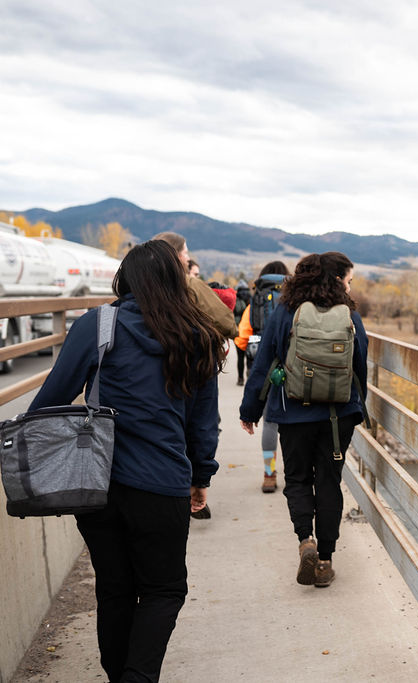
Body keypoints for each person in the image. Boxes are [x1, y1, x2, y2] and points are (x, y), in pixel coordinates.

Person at [28, 240, 223, 681]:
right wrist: (201, 474)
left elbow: (49, 402)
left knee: (115, 590)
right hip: (162, 482)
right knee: (164, 589)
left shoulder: (97, 326)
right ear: (178, 280)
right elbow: (202, 423)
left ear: (125, 279)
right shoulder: (201, 335)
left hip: (98, 484)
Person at [239, 252, 366, 588]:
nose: (349, 284)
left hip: (293, 411)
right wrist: (357, 404)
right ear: (338, 279)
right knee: (328, 481)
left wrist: (250, 410)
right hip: (337, 416)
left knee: (296, 479)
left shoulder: (285, 310)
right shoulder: (349, 313)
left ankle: (305, 540)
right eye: (348, 279)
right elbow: (361, 360)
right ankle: (325, 561)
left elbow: (265, 361)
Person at [235, 261, 290, 493]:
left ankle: (269, 473)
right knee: (292, 422)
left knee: (269, 422)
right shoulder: (294, 301)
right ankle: (296, 474)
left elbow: (241, 339)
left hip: (265, 369)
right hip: (293, 369)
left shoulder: (255, 302)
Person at [152, 231, 237, 339]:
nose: (188, 259)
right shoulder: (190, 284)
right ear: (175, 255)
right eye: (186, 253)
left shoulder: (142, 284)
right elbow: (227, 325)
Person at [233, 281, 252, 385]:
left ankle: (240, 379)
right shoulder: (252, 299)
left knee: (240, 358)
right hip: (251, 332)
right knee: (250, 356)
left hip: (239, 332)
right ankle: (249, 374)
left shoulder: (235, 299)